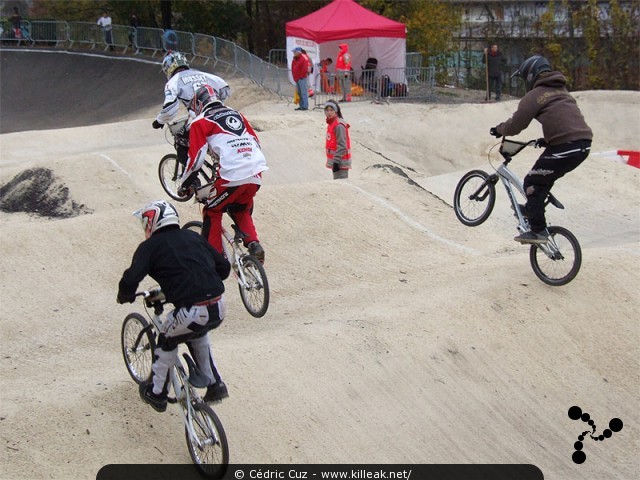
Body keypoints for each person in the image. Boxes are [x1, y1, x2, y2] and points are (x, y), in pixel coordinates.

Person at [117, 200, 231, 412]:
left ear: (151, 222)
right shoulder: (193, 237)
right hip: (219, 305)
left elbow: (131, 278)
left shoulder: (149, 247)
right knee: (197, 333)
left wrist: (125, 295)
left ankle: (157, 393)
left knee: (166, 340)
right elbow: (223, 268)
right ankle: (215, 384)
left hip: (193, 311)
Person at [490, 55, 593, 244]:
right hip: (582, 144)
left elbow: (516, 125)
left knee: (532, 181)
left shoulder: (534, 96)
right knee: (542, 178)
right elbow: (564, 120)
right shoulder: (562, 91)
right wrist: (547, 140)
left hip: (566, 147)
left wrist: (499, 130)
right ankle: (533, 207)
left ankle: (538, 231)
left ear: (530, 75)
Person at [179, 85, 268, 263]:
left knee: (212, 210)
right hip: (256, 171)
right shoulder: (237, 114)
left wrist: (184, 185)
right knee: (241, 207)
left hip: (231, 176)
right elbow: (256, 142)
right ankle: (253, 244)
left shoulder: (200, 122)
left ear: (197, 105)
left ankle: (216, 259)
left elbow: (196, 160)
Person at [152, 51, 231, 167]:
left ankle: (192, 182)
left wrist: (159, 121)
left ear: (168, 68)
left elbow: (169, 109)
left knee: (180, 140)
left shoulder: (173, 82)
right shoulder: (205, 74)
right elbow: (225, 89)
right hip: (221, 113)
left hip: (202, 119)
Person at [324, 99, 352, 180]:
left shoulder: (339, 125)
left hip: (340, 162)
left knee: (342, 184)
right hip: (336, 161)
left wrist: (336, 161)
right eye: (327, 110)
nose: (329, 112)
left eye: (331, 110)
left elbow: (342, 145)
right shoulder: (331, 124)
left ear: (336, 111)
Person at [291, 47, 309, 111]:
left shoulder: (303, 59)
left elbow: (304, 68)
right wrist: (294, 76)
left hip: (301, 78)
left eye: (294, 52)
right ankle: (301, 106)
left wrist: (301, 76)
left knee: (303, 92)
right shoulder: (294, 59)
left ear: (298, 52)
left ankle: (305, 106)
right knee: (299, 92)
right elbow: (293, 68)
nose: (294, 53)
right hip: (297, 78)